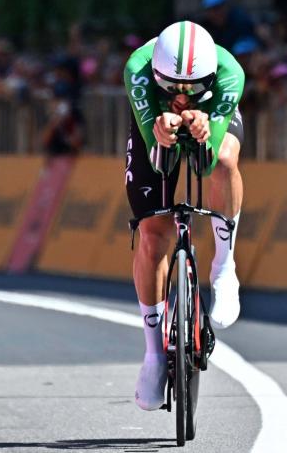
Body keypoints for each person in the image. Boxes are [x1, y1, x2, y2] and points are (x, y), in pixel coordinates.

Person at [123, 21, 245, 410]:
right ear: (155, 75)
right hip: (153, 122)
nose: (180, 96)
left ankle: (224, 267)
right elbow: (160, 162)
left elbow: (207, 165)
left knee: (224, 159)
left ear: (207, 78)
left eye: (190, 87)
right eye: (171, 86)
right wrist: (160, 128)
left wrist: (206, 129)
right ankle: (154, 355)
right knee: (153, 233)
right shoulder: (138, 70)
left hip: (213, 115)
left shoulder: (230, 74)